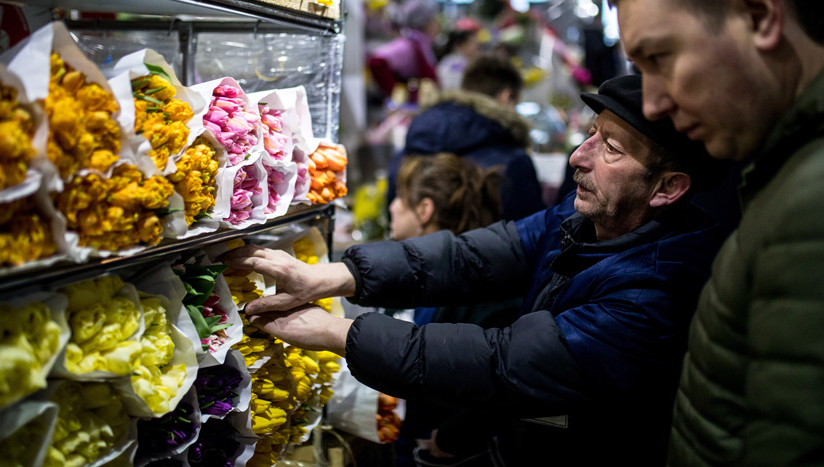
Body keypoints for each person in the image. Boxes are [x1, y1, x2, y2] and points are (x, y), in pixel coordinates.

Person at [222, 74, 730, 465]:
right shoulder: (581, 220)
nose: (579, 156)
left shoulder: (657, 287)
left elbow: (502, 364)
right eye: (591, 135)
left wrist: (338, 332)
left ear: (667, 188)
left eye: (611, 150)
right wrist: (335, 276)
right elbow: (475, 255)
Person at [606, 0, 824, 464]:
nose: (652, 103)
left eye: (660, 58)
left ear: (759, 12)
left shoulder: (811, 201)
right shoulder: (784, 172)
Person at [386, 153, 519, 466]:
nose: (392, 206)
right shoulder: (442, 279)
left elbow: (501, 383)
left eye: (401, 198)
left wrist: (453, 436)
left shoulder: (473, 291)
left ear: (425, 210)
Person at [386, 55, 545, 222]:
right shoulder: (515, 162)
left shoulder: (416, 140)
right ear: (506, 96)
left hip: (410, 247)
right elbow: (530, 234)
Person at [368, 0, 441, 104]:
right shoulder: (409, 44)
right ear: (425, 23)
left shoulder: (421, 42)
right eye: (434, 20)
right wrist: (395, 91)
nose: (438, 25)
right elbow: (376, 62)